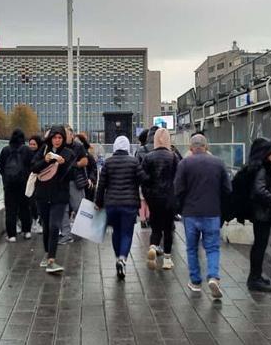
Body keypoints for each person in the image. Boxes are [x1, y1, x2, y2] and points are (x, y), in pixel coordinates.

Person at [174, 134, 231, 299]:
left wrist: (180, 208)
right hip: (212, 212)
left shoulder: (184, 163)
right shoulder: (218, 163)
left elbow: (178, 189)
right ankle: (213, 276)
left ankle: (196, 281)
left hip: (190, 213)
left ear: (191, 148)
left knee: (192, 248)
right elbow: (227, 189)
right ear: (206, 147)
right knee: (212, 248)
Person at [95, 136, 147, 280]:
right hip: (129, 204)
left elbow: (101, 185)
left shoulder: (108, 162)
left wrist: (98, 202)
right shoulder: (134, 162)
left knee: (116, 232)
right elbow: (143, 179)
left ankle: (118, 257)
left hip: (111, 204)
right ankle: (122, 258)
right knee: (127, 233)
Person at [32, 125, 74, 274]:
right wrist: (46, 160)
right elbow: (34, 167)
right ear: (51, 138)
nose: (57, 140)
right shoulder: (43, 150)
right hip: (42, 195)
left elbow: (71, 175)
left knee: (54, 225)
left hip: (59, 196)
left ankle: (51, 260)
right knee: (46, 226)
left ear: (63, 139)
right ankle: (47, 253)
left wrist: (63, 165)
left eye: (60, 138)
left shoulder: (68, 153)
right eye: (54, 137)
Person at [245, 138, 271, 293]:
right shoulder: (262, 169)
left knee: (260, 245)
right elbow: (259, 190)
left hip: (262, 214)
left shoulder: (261, 167)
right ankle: (254, 278)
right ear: (265, 153)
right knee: (259, 246)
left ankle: (256, 276)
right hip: (262, 214)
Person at [142, 128, 181, 270]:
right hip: (169, 198)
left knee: (156, 227)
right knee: (168, 229)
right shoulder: (173, 156)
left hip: (154, 198)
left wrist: (147, 196)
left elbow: (144, 179)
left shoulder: (148, 157)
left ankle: (153, 246)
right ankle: (167, 259)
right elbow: (178, 178)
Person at [0, 129, 33, 242]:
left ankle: (11, 235)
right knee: (25, 208)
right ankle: (27, 231)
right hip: (23, 183)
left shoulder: (6, 150)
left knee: (10, 209)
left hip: (9, 185)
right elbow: (32, 164)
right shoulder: (27, 150)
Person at [60, 126, 88, 245]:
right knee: (63, 209)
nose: (64, 137)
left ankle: (81, 232)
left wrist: (74, 164)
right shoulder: (59, 146)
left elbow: (85, 161)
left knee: (78, 208)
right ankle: (66, 234)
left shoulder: (78, 146)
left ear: (72, 135)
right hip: (61, 183)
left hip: (74, 181)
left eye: (66, 134)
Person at [27, 135, 44, 234]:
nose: (32, 146)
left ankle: (39, 222)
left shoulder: (40, 155)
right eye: (30, 144)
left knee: (37, 202)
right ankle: (34, 220)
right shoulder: (27, 154)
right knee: (31, 202)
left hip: (39, 182)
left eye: (34, 144)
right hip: (30, 182)